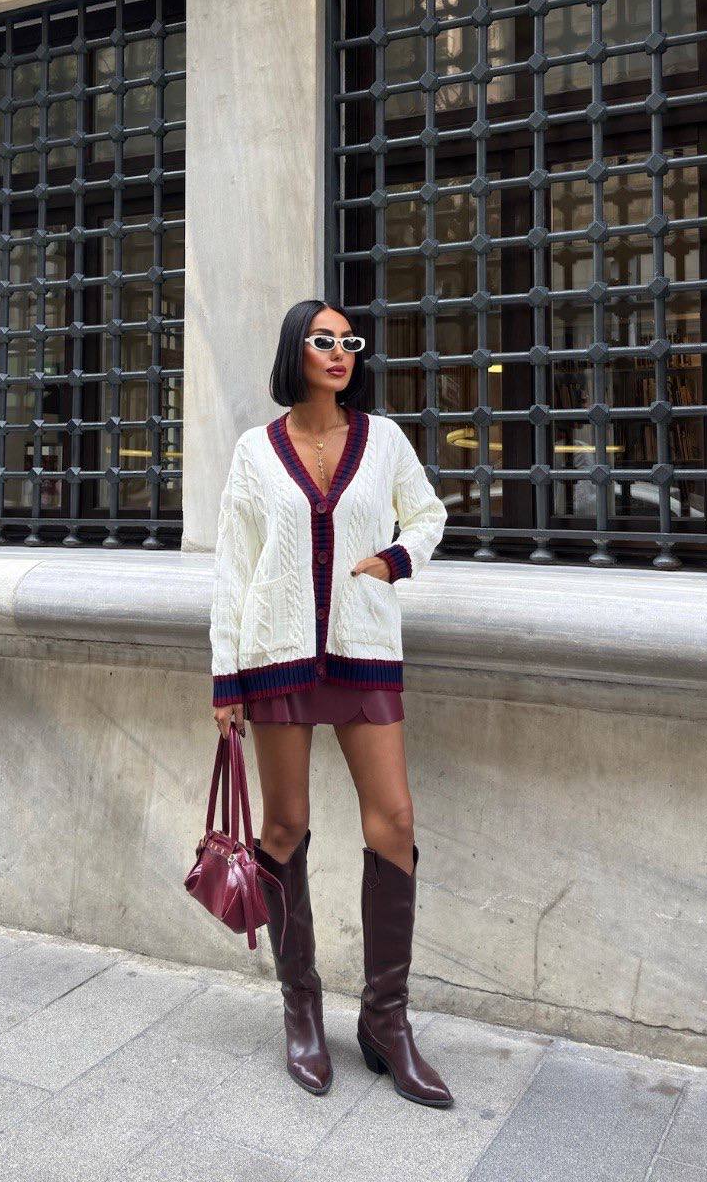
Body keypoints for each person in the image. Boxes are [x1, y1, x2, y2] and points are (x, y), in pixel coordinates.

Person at [208, 298, 453, 1108]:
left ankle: (387, 1021)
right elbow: (232, 569)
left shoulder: (383, 440)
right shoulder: (255, 452)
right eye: (324, 341)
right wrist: (224, 679)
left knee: (396, 820)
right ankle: (302, 1010)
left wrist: (394, 558)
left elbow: (429, 513)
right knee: (282, 827)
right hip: (275, 657)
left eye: (350, 342)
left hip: (364, 652)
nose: (340, 353)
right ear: (296, 351)